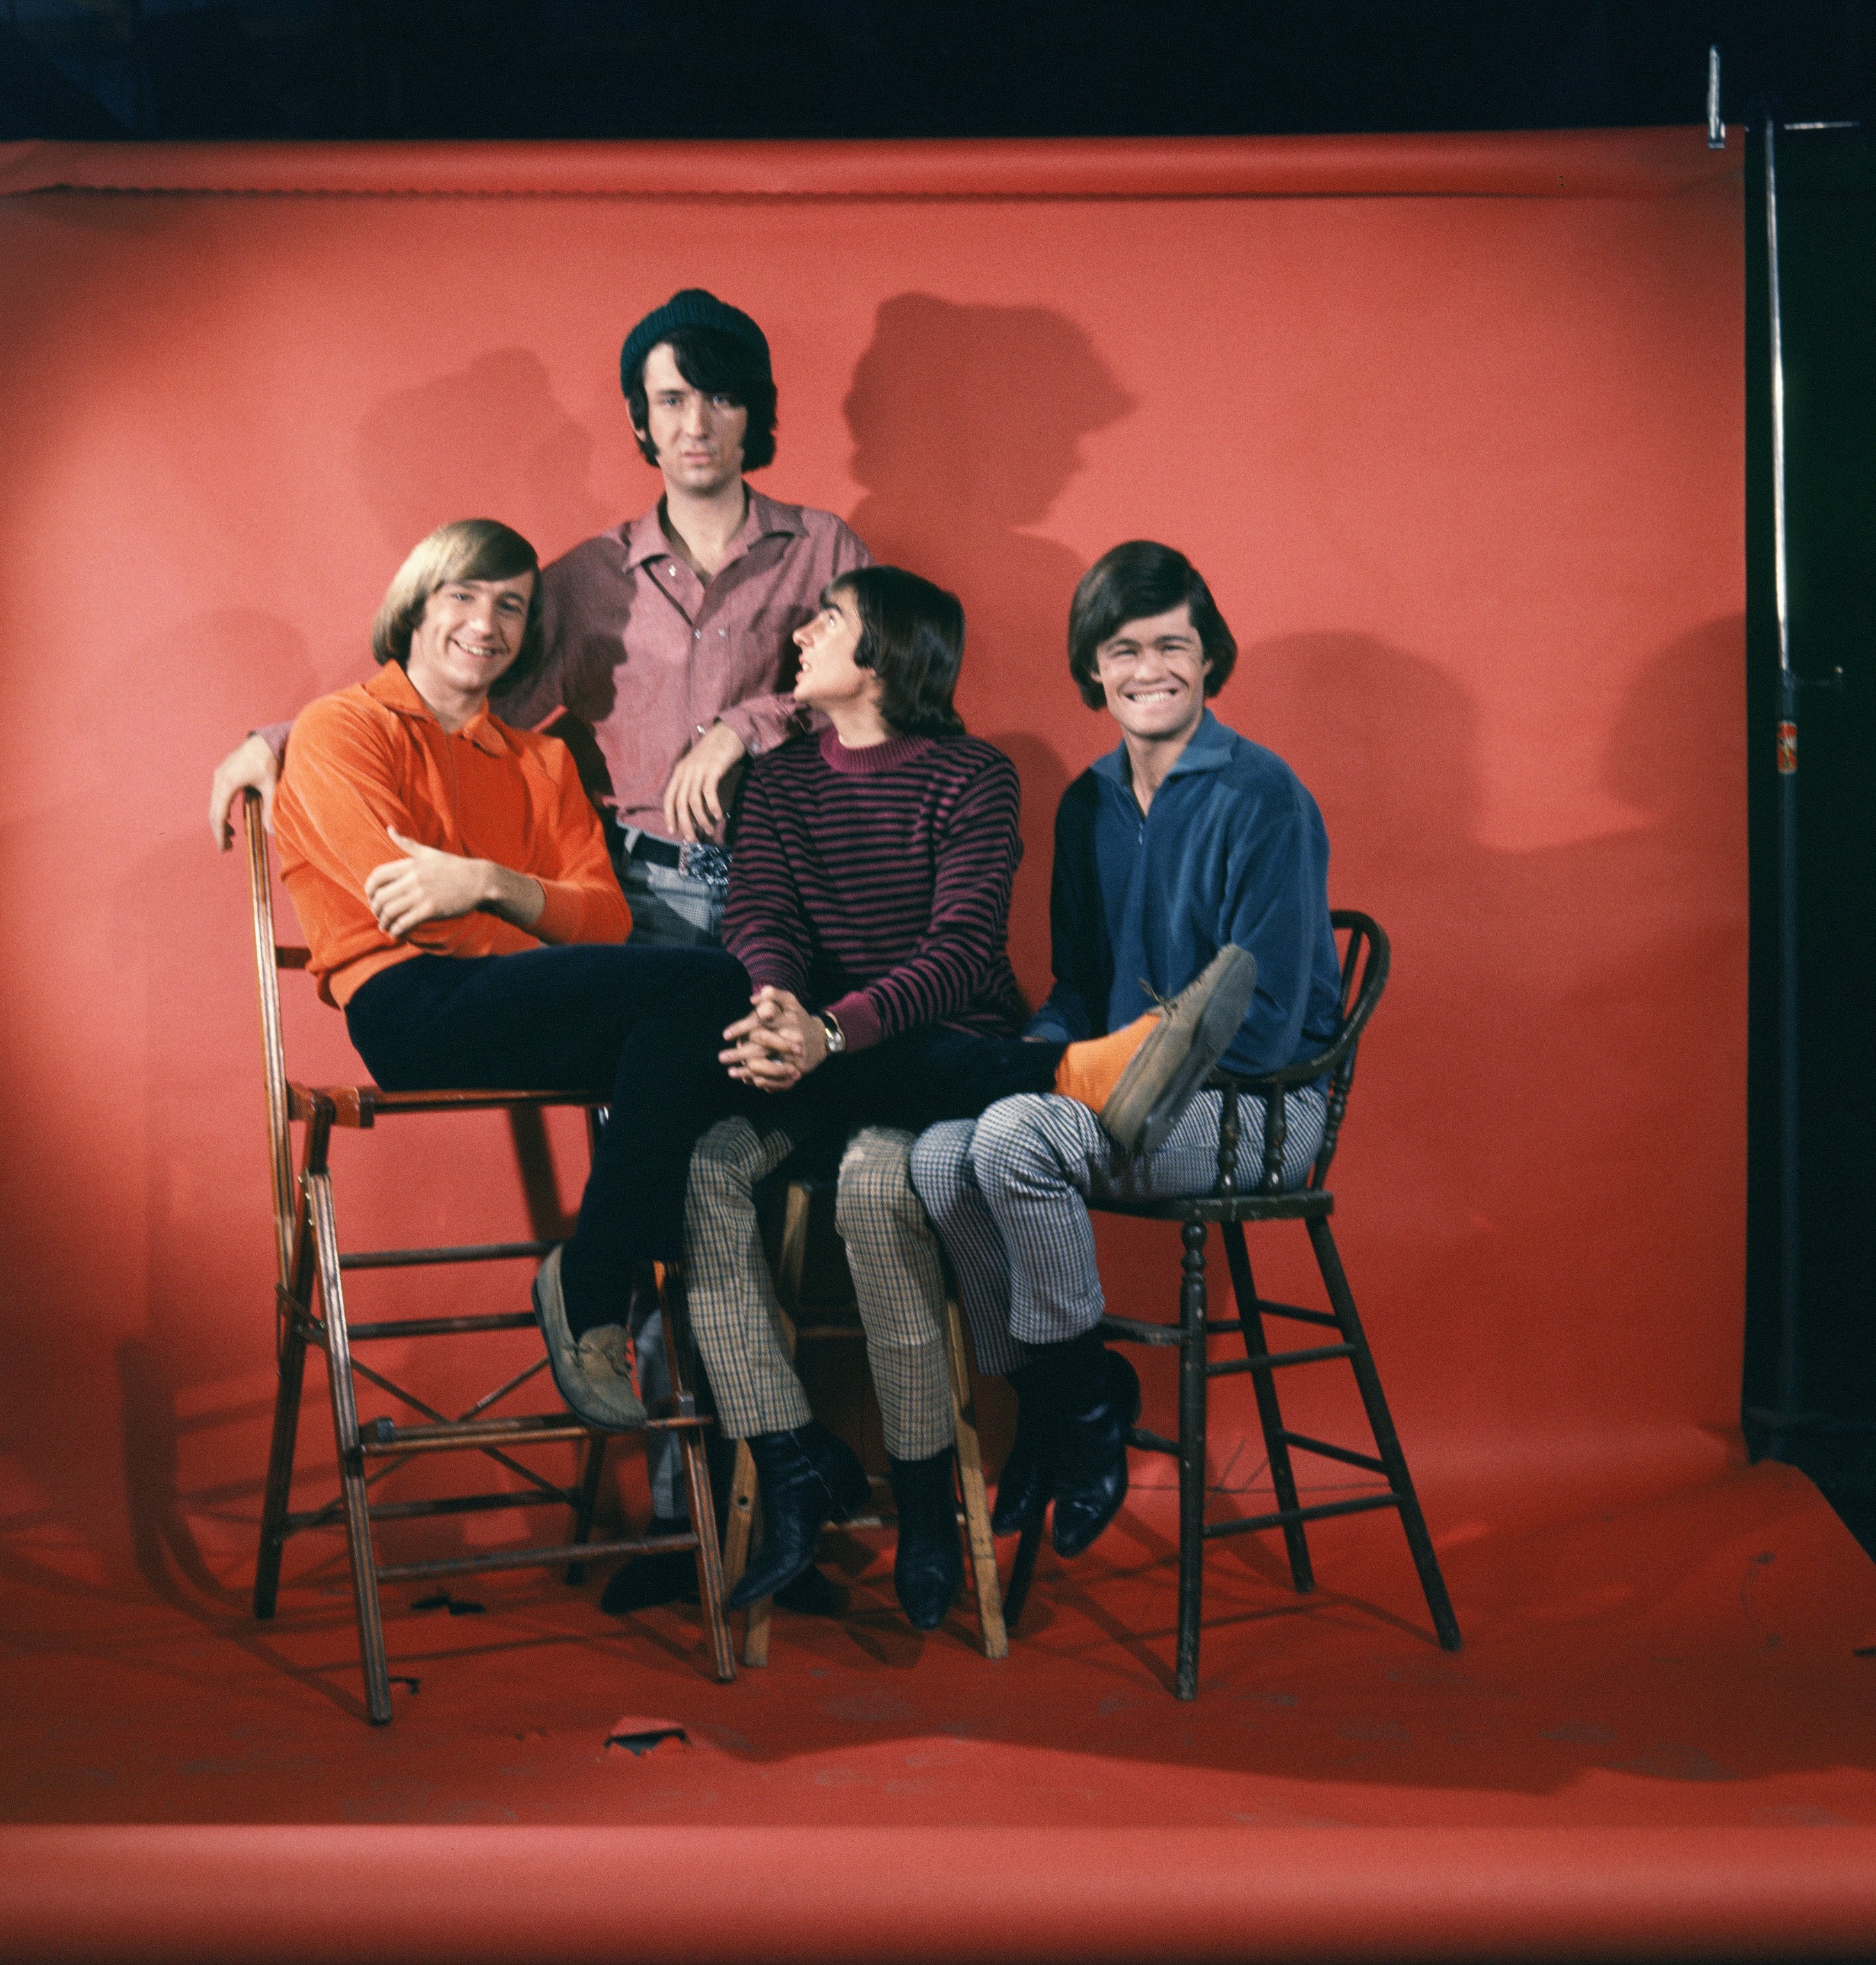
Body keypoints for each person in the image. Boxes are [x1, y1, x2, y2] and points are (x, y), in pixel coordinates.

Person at [210, 289, 871, 1610]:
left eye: (719, 394)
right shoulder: (577, 581)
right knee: (687, 1143)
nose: (695, 421)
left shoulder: (823, 546)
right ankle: (699, 1506)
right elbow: (435, 699)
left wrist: (740, 726)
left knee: (747, 1177)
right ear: (639, 417)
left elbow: (866, 679)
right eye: (669, 397)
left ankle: (748, 1494)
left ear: (755, 411)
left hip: (780, 898)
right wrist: (278, 744)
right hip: (598, 937)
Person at [684, 564, 1256, 1631]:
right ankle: (791, 1454)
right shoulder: (778, 784)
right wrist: (775, 1007)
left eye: (829, 620)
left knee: (871, 1186)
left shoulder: (972, 777)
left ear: (888, 654)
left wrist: (828, 1032)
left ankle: (926, 1503)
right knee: (707, 1166)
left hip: (925, 1045)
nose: (801, 633)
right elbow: (757, 917)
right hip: (813, 1046)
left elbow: (957, 959)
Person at [269, 518, 756, 1439]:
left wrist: (488, 883)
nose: (486, 624)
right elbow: (405, 909)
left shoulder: (544, 761)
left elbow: (606, 921)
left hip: (510, 1005)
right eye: (463, 595)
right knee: (702, 991)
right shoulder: (343, 728)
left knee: (699, 1019)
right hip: (409, 1009)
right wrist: (534, 913)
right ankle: (596, 1288)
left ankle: (606, 1289)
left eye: (512, 607)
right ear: (415, 605)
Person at [909, 541, 1343, 1566]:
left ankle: (1087, 1409)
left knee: (1016, 1135)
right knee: (937, 1153)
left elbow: (1271, 1020)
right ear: (1092, 671)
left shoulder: (1260, 795)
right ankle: (1063, 1392)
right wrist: (1039, 1056)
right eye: (1123, 651)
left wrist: (1069, 1081)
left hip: (1260, 1111)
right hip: (1119, 1098)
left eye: (1173, 646)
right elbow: (1073, 990)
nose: (1150, 670)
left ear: (1209, 657)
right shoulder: (1088, 805)